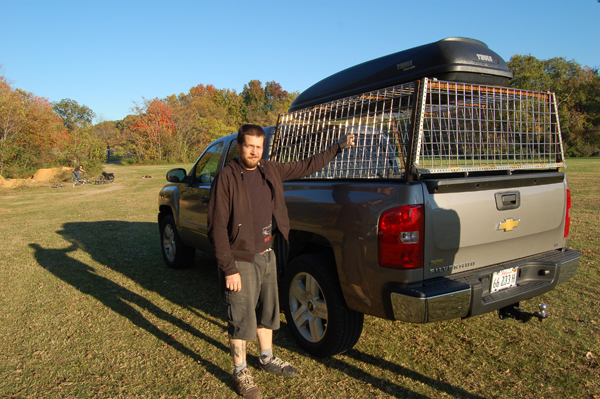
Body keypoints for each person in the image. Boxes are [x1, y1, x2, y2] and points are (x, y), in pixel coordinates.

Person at [207, 124, 355, 398]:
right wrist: (228, 268)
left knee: (268, 311)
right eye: (249, 145)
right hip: (240, 259)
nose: (254, 151)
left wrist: (338, 147)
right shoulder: (226, 178)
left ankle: (266, 357)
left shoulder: (269, 169)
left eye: (258, 147)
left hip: (267, 254)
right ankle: (240, 371)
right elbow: (216, 227)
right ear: (239, 146)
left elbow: (306, 166)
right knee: (240, 317)